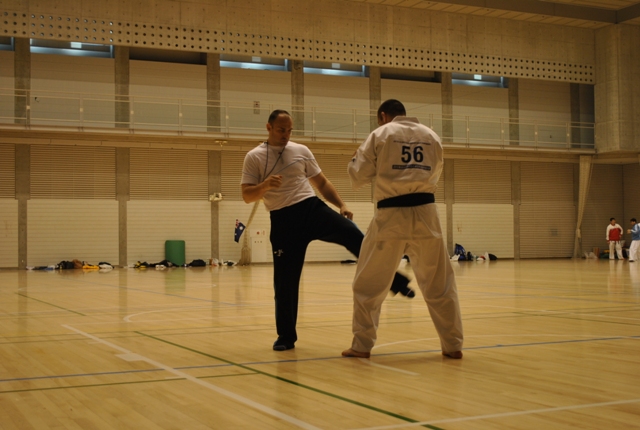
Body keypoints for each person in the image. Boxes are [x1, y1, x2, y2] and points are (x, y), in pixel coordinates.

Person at [241, 109, 414, 351]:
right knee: (285, 281)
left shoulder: (301, 151)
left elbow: (321, 183)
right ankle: (286, 337)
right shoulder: (254, 157)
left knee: (355, 236)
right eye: (281, 130)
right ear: (268, 128)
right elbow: (247, 195)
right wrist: (265, 186)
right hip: (283, 220)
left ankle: (396, 281)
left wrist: (341, 204)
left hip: (311, 209)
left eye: (289, 130)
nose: (286, 135)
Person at [342, 99, 464, 359]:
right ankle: (453, 345)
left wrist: (359, 159)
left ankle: (361, 346)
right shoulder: (432, 136)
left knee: (368, 285)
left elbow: (358, 175)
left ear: (383, 116)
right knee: (440, 285)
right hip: (426, 214)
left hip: (391, 215)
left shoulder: (381, 134)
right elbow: (436, 172)